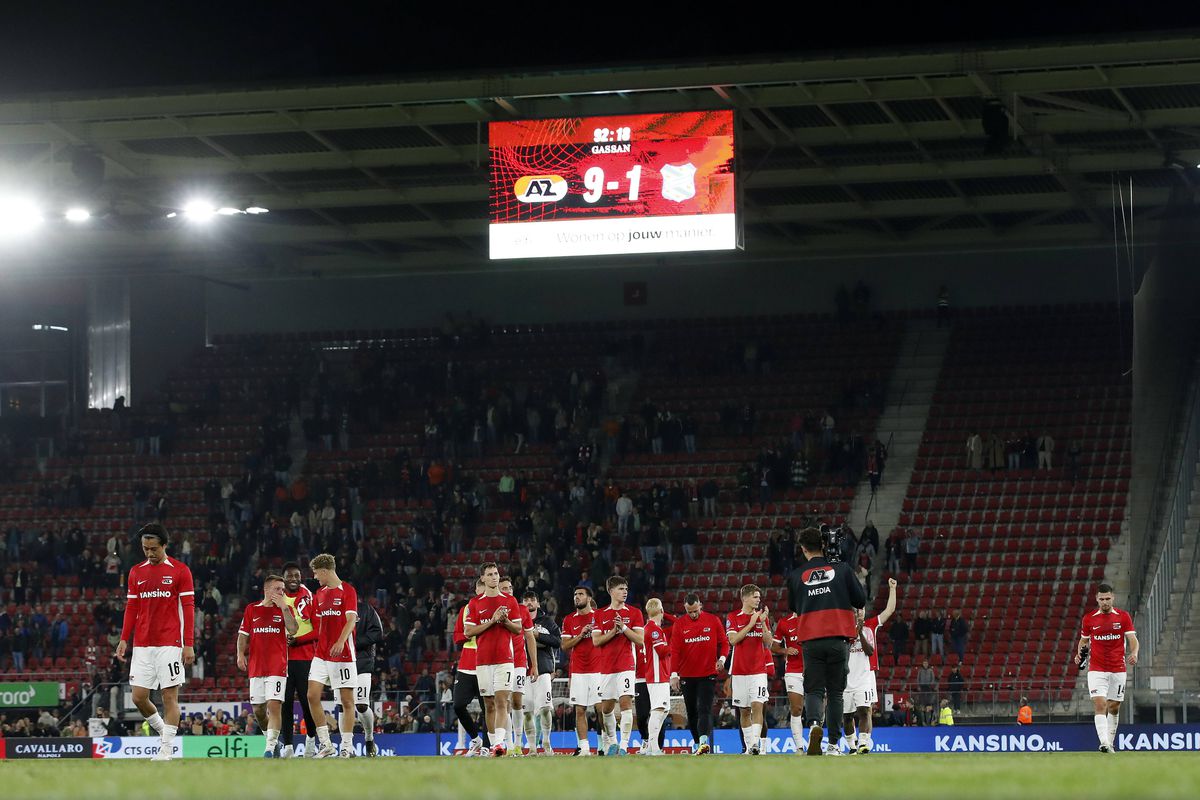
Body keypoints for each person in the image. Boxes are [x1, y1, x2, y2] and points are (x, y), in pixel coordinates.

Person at [114, 523, 195, 762]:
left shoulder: (180, 571)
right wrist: (123, 639)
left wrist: (188, 643)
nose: (149, 553)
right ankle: (163, 731)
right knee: (138, 697)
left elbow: (189, 609)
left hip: (170, 643)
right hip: (142, 645)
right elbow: (131, 608)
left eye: (153, 549)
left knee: (169, 696)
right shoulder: (136, 572)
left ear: (164, 546)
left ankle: (166, 750)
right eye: (145, 549)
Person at [793, 526, 866, 756]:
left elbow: (794, 606)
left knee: (814, 689)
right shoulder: (842, 569)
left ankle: (815, 724)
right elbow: (860, 599)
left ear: (803, 549)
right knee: (835, 693)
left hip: (811, 640)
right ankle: (834, 744)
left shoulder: (796, 576)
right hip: (838, 638)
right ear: (823, 545)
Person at [463, 562, 523, 756]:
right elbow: (468, 631)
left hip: (504, 659)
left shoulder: (510, 601)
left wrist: (504, 620)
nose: (494, 577)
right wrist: (492, 621)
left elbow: (518, 629)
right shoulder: (475, 603)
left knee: (501, 701)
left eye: (496, 573)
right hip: (482, 661)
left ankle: (499, 744)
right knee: (488, 704)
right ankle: (493, 745)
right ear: (483, 578)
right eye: (489, 574)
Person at [236, 574, 297, 757]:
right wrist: (240, 654)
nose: (281, 592)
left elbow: (293, 630)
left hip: (277, 667)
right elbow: (243, 634)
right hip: (256, 667)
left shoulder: (284, 610)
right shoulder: (251, 609)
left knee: (274, 705)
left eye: (283, 590)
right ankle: (271, 740)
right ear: (267, 590)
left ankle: (269, 748)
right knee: (258, 711)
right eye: (278, 589)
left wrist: (285, 607)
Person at [305, 553, 359, 758]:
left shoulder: (348, 591)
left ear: (325, 571)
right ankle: (326, 744)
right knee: (312, 695)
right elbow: (317, 626)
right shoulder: (319, 594)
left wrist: (340, 641)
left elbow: (351, 620)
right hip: (321, 654)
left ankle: (347, 746)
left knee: (346, 701)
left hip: (343, 653)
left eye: (317, 573)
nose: (316, 577)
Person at [1074, 583, 1138, 753]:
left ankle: (1110, 742)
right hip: (1097, 669)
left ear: (1113, 598)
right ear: (1097, 599)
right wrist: (1078, 653)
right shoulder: (1089, 619)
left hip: (1118, 668)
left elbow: (1132, 639)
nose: (1105, 602)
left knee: (1114, 707)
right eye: (1101, 599)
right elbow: (1084, 640)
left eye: (1107, 598)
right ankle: (1104, 743)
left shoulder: (1123, 617)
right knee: (1100, 704)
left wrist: (1135, 653)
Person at [668, 592, 728, 755]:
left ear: (700, 605)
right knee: (692, 712)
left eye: (696, 611)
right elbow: (675, 651)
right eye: (690, 612)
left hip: (708, 674)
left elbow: (724, 643)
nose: (693, 614)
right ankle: (698, 744)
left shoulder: (713, 620)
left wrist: (721, 659)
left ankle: (703, 741)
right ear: (685, 609)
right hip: (687, 675)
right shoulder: (679, 624)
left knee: (704, 708)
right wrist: (674, 674)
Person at [592, 575, 645, 756]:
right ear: (611, 591)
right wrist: (613, 632)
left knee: (625, 703)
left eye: (626, 589)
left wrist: (623, 628)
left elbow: (640, 640)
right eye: (621, 589)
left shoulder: (634, 613)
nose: (625, 592)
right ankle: (612, 741)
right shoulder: (599, 614)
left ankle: (624, 745)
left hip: (626, 665)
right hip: (606, 668)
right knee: (606, 708)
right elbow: (596, 641)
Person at [851, 578, 897, 753]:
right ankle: (851, 744)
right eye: (857, 610)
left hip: (866, 674)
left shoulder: (871, 625)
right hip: (848, 674)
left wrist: (892, 589)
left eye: (861, 609)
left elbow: (889, 610)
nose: (860, 612)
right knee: (847, 714)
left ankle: (864, 743)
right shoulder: (845, 628)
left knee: (867, 710)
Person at [726, 584, 773, 755]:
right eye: (755, 596)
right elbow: (733, 640)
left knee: (757, 706)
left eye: (759, 597)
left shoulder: (762, 618)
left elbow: (768, 643)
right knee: (744, 711)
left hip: (758, 671)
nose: (758, 599)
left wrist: (763, 624)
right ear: (744, 598)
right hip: (739, 671)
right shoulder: (733, 617)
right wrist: (752, 623)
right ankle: (749, 747)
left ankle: (755, 745)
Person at [280, 562, 320, 758]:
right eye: (290, 576)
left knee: (307, 702)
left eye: (296, 575)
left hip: (305, 657)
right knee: (285, 703)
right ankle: (287, 745)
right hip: (283, 660)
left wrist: (298, 640)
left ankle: (311, 740)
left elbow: (318, 630)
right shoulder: (277, 598)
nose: (293, 579)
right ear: (283, 578)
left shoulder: (308, 596)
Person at [498, 576, 537, 755]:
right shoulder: (494, 610)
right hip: (501, 661)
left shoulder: (522, 610)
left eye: (510, 587)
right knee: (503, 701)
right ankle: (508, 743)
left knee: (517, 701)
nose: (508, 590)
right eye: (504, 588)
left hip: (519, 662)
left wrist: (534, 665)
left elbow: (530, 637)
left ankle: (519, 744)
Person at [561, 587, 600, 756]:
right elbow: (564, 646)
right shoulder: (569, 620)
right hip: (578, 671)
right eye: (575, 594)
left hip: (598, 669)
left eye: (580, 594)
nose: (576, 597)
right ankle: (584, 748)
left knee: (601, 709)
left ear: (589, 598)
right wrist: (580, 634)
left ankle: (604, 744)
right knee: (580, 710)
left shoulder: (599, 617)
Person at [452, 578, 488, 756]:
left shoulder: (493, 608)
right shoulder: (466, 609)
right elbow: (458, 636)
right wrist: (471, 633)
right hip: (466, 663)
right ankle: (476, 739)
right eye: (480, 587)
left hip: (487, 662)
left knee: (487, 708)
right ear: (476, 589)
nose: (483, 590)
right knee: (458, 705)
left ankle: (487, 747)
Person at [525, 590, 561, 755]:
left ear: (538, 603)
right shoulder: (518, 622)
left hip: (544, 669)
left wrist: (537, 635)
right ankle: (531, 746)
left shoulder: (547, 621)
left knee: (545, 708)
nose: (529, 603)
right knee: (526, 711)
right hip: (523, 669)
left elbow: (557, 641)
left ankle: (546, 742)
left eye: (532, 600)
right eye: (526, 600)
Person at [839, 609, 876, 754]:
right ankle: (852, 747)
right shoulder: (842, 630)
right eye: (854, 612)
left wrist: (860, 632)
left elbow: (870, 651)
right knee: (847, 716)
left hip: (863, 680)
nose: (857, 614)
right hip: (846, 680)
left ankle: (862, 743)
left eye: (859, 612)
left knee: (864, 711)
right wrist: (854, 632)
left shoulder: (867, 631)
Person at [771, 606, 805, 755]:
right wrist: (786, 650)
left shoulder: (814, 618)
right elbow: (773, 647)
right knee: (796, 709)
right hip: (793, 671)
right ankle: (799, 747)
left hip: (815, 670)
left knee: (816, 709)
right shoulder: (784, 623)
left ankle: (815, 742)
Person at [353, 594, 384, 756]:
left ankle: (369, 739)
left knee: (361, 705)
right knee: (344, 705)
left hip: (362, 663)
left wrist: (353, 642)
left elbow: (378, 633)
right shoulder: (335, 610)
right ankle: (346, 745)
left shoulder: (365, 610)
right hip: (339, 662)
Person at [640, 598, 672, 756]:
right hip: (657, 675)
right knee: (658, 710)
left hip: (659, 675)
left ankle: (652, 746)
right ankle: (653, 747)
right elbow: (662, 651)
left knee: (663, 710)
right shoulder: (654, 630)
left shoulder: (651, 628)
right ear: (661, 611)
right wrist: (676, 645)